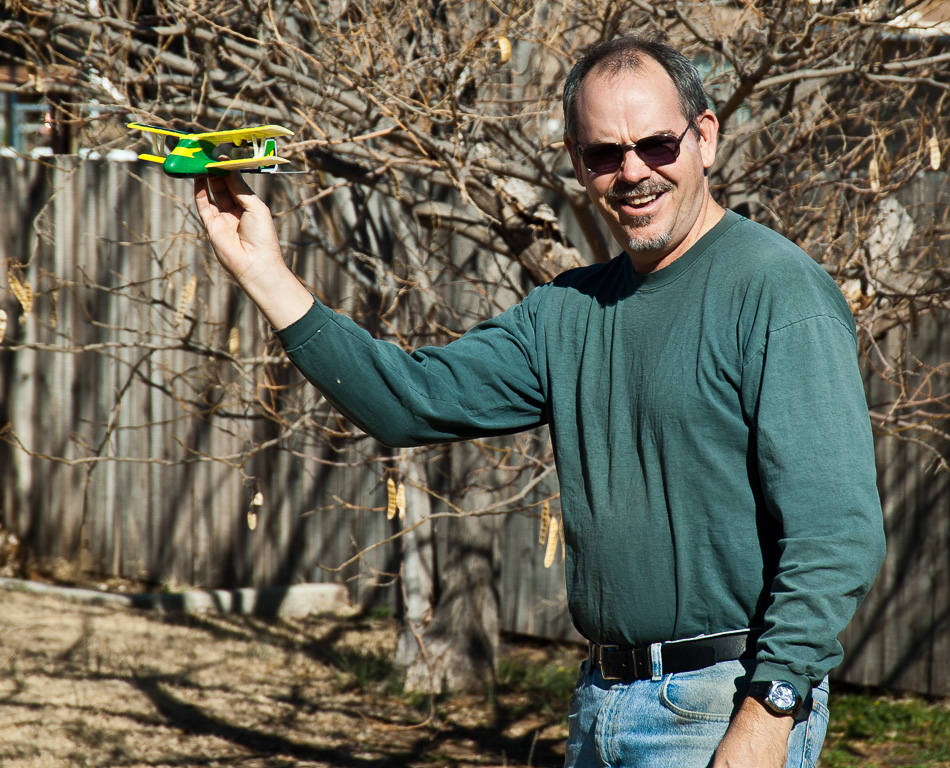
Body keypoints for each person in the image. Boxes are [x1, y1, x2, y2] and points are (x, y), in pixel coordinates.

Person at [195, 36, 885, 768]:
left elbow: (835, 534)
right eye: (603, 155)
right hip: (601, 702)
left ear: (704, 137)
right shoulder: (566, 312)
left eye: (656, 145)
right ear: (575, 161)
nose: (633, 173)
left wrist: (768, 713)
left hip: (723, 706)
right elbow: (408, 402)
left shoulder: (775, 292)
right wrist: (265, 273)